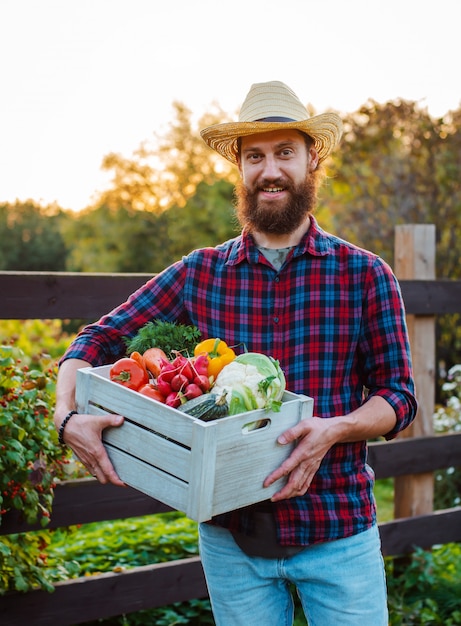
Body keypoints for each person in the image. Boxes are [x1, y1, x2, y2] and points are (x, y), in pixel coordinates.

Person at [54, 80, 417, 625]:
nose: (270, 170)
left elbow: (399, 397)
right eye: (255, 157)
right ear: (240, 169)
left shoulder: (364, 275)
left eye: (284, 153)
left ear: (311, 160)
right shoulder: (200, 273)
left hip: (338, 530)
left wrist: (334, 429)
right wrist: (66, 416)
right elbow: (94, 341)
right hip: (233, 541)